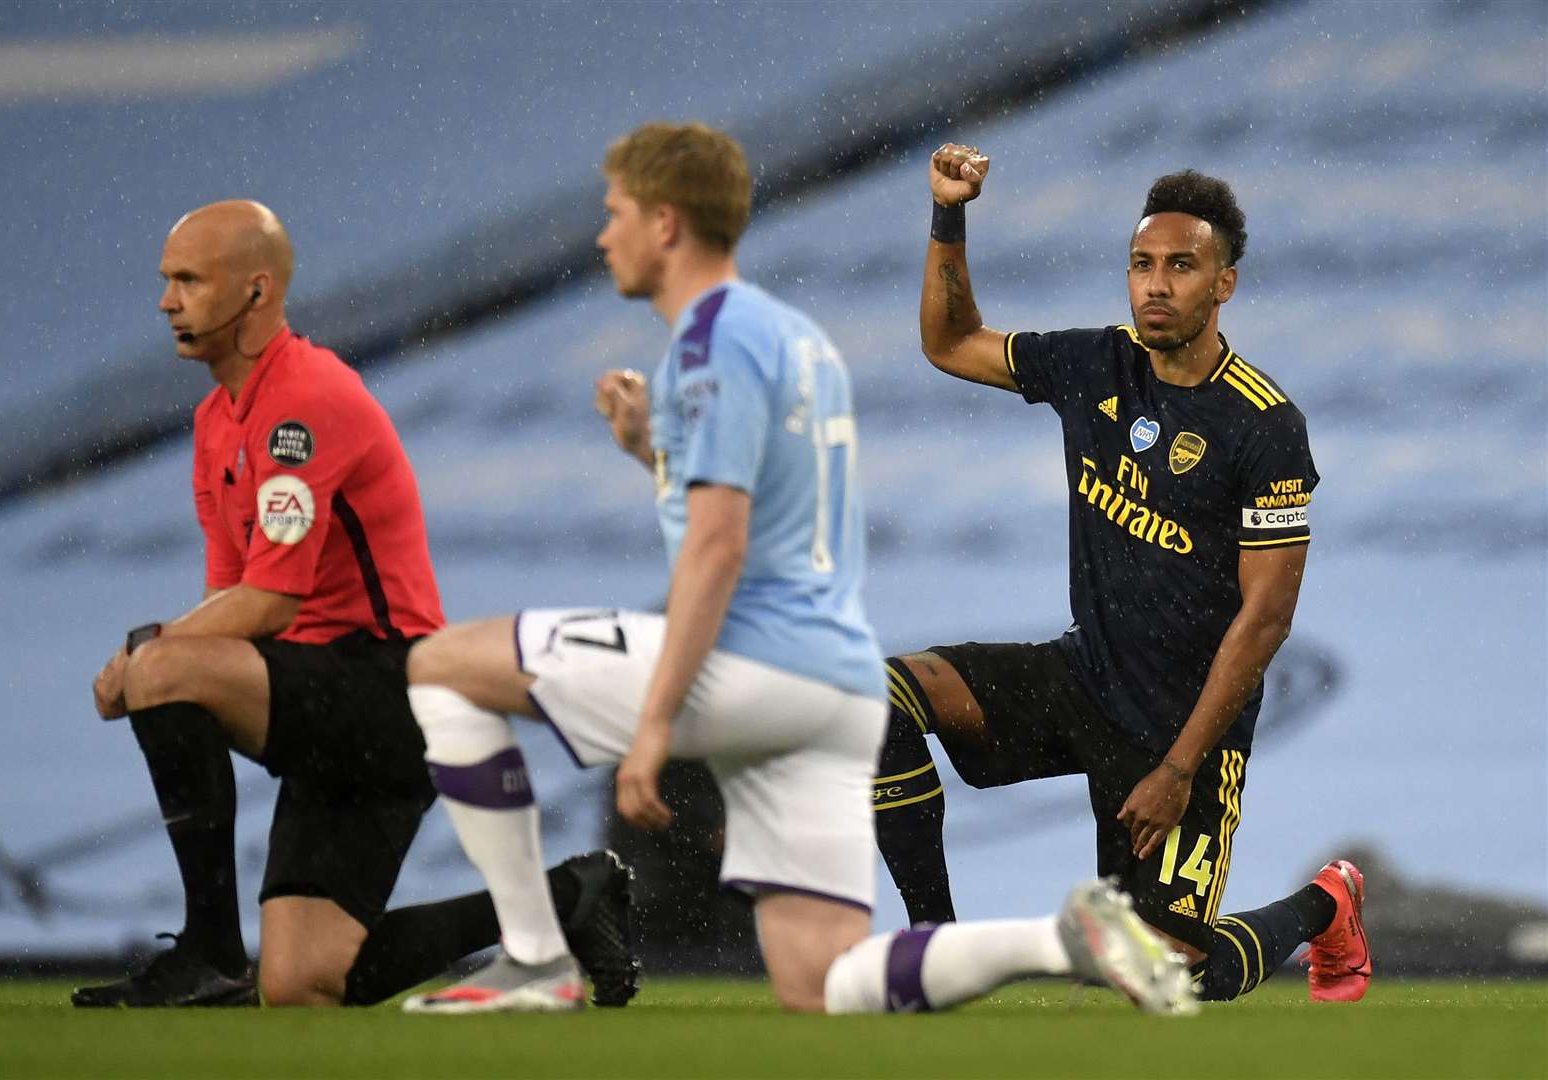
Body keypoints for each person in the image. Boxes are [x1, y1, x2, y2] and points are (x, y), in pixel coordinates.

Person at [399, 122, 1195, 1016]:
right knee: (822, 983)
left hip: (748, 662)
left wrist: (654, 724)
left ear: (665, 223)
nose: (600, 235)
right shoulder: (789, 338)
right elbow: (763, 513)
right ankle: (1059, 940)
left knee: (438, 667)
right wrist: (650, 456)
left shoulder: (712, 340)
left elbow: (721, 544)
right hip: (828, 682)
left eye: (615, 212)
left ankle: (537, 951)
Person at [76, 200, 639, 1009]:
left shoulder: (302, 398)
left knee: (165, 669)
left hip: (387, 687)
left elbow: (269, 602)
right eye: (167, 281)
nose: (168, 301)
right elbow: (229, 602)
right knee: (305, 983)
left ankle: (207, 950)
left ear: (257, 290)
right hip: (329, 705)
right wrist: (159, 656)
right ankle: (565, 899)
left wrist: (142, 658)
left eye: (189, 280)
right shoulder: (215, 422)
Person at [870, 146, 1371, 1004]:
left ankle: (1323, 906)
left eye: (1182, 266)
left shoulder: (1263, 424)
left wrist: (1178, 769)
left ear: (1224, 285)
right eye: (1142, 264)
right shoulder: (1094, 365)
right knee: (876, 697)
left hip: (1187, 731)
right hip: (1084, 680)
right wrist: (949, 215)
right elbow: (948, 342)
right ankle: (934, 954)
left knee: (1164, 981)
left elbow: (1265, 621)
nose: (1156, 284)